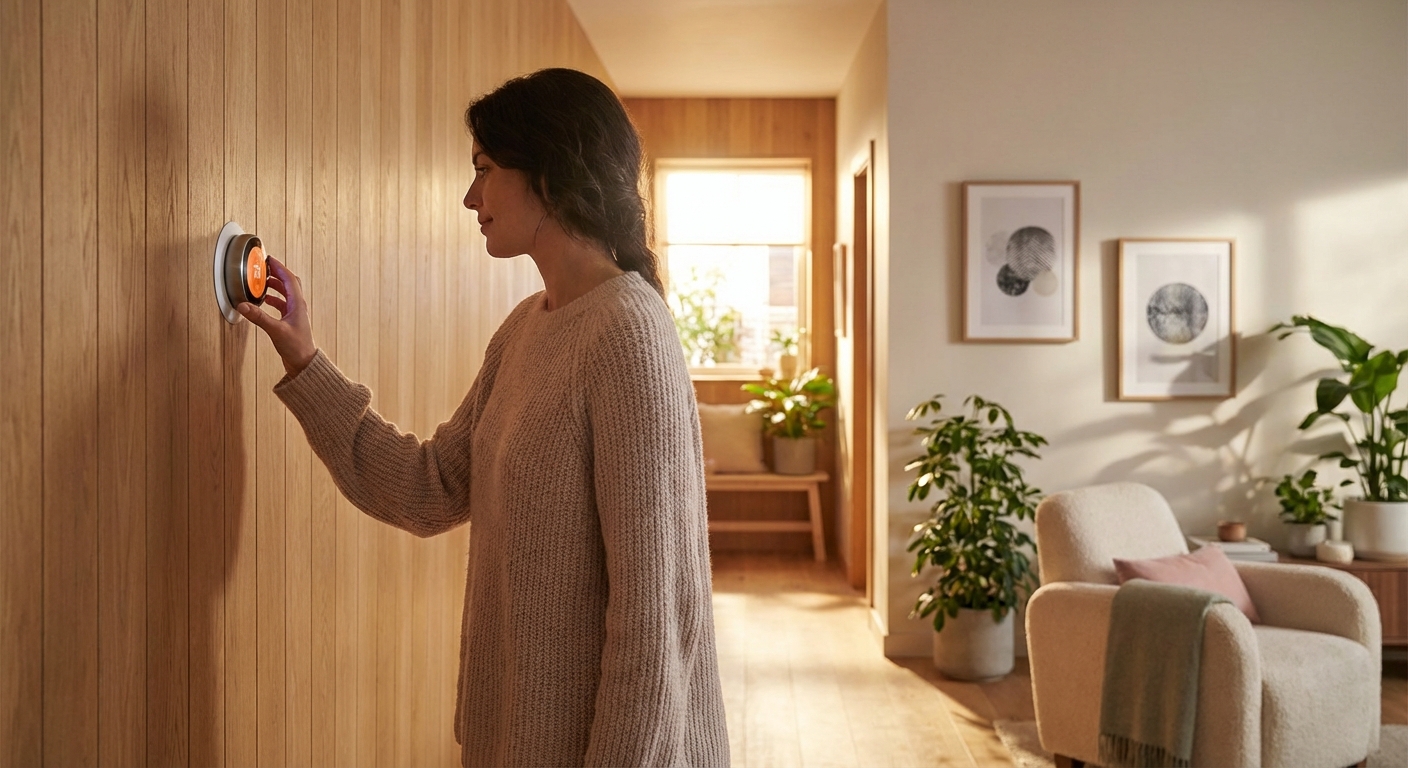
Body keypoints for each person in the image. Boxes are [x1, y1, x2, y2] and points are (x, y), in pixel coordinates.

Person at [239, 68, 729, 767]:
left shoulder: (628, 333)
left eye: (486, 169)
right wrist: (304, 360)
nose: (472, 196)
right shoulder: (528, 326)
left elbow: (655, 615)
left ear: (552, 175)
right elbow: (429, 486)